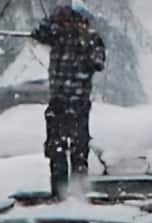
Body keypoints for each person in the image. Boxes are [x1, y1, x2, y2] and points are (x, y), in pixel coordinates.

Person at [30, 2, 106, 198]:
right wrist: (53, 20)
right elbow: (39, 33)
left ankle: (79, 192)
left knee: (78, 150)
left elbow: (98, 63)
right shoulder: (57, 37)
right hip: (58, 102)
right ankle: (59, 193)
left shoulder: (91, 40)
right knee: (56, 150)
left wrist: (83, 40)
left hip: (79, 101)